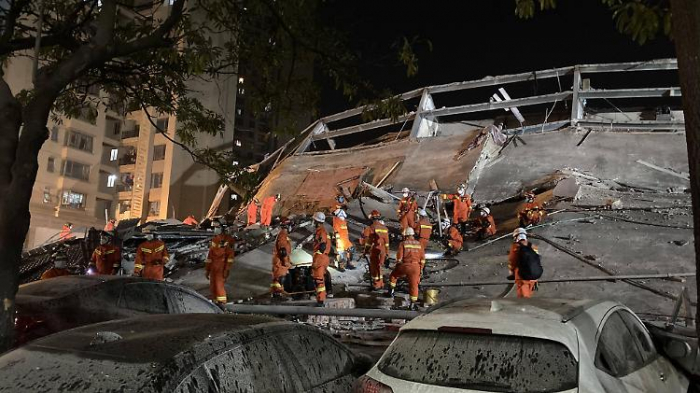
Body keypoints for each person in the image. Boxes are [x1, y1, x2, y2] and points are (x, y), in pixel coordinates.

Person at [387, 227, 425, 310]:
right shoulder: (419, 244)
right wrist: (420, 270)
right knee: (414, 285)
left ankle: (391, 291)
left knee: (394, 275)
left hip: (405, 266)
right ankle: (412, 304)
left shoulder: (403, 243)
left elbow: (399, 258)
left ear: (406, 235)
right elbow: (422, 259)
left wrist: (397, 267)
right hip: (416, 267)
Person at [205, 221, 235, 305]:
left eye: (217, 227)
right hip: (213, 267)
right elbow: (210, 256)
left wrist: (226, 269)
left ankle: (222, 304)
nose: (215, 229)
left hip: (221, 267)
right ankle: (215, 303)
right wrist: (207, 270)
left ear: (222, 229)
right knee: (213, 287)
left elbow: (230, 257)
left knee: (219, 287)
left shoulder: (228, 240)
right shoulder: (214, 239)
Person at [359, 210, 389, 290]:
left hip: (375, 250)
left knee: (374, 268)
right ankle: (381, 283)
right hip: (383, 250)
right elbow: (387, 243)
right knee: (380, 267)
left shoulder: (371, 228)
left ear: (372, 218)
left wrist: (365, 252)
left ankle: (376, 285)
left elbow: (369, 242)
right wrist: (387, 253)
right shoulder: (385, 228)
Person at [508, 228, 540, 298]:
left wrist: (511, 273)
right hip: (534, 276)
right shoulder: (533, 246)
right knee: (529, 293)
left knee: (523, 298)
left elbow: (512, 261)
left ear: (516, 237)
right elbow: (537, 260)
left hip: (523, 278)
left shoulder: (515, 247)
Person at [311, 212, 331, 305]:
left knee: (318, 280)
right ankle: (323, 296)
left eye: (314, 220)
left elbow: (322, 245)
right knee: (321, 278)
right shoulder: (324, 230)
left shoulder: (320, 231)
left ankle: (321, 300)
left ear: (317, 221)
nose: (313, 222)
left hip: (320, 257)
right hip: (324, 257)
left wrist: (317, 256)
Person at [271, 218, 293, 298]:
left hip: (279, 260)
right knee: (280, 278)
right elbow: (283, 251)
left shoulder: (283, 234)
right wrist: (286, 261)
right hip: (280, 261)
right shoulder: (283, 234)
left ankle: (276, 293)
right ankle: (277, 293)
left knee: (277, 278)